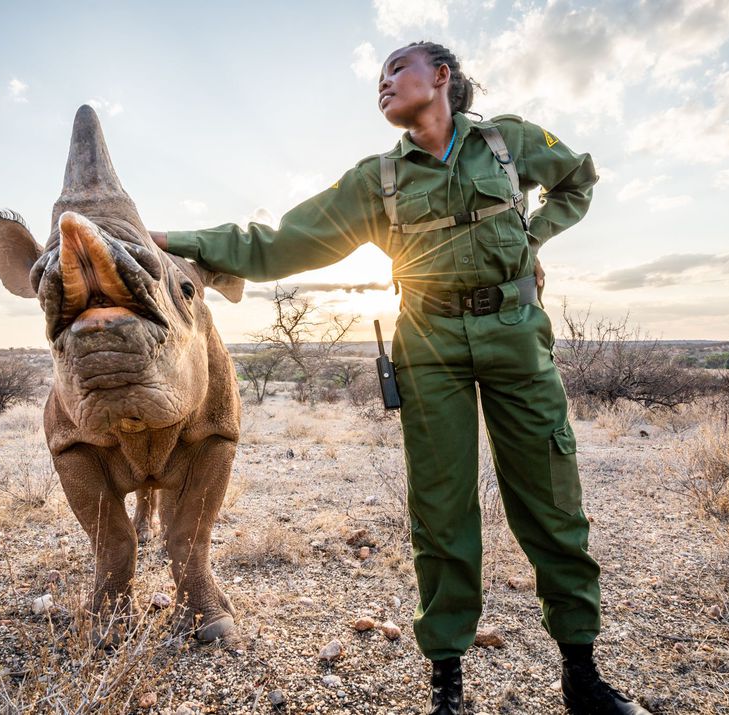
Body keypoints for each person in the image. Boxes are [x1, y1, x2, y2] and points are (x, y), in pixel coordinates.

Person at [150, 41, 650, 715]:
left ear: (441, 77)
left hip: (515, 335)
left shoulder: (510, 142)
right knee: (442, 512)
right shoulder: (375, 179)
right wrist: (174, 240)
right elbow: (275, 243)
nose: (382, 84)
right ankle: (448, 686)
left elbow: (578, 180)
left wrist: (533, 237)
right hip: (430, 342)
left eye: (396, 70)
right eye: (378, 77)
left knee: (552, 500)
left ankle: (582, 675)